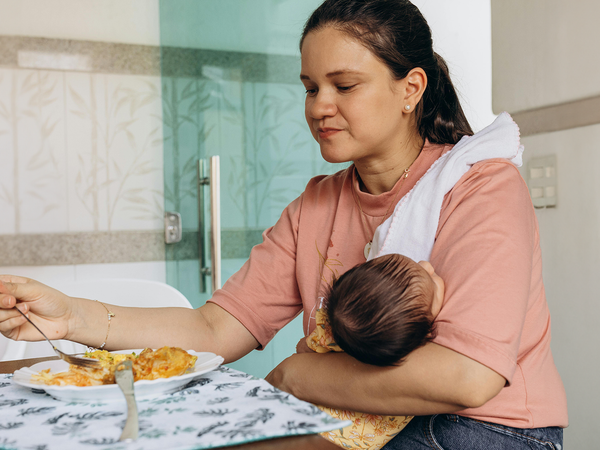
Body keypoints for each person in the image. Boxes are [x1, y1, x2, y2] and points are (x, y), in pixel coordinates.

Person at [0, 0, 567, 448]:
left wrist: (298, 376)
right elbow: (213, 331)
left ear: (411, 89)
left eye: (344, 86)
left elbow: (468, 378)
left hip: (488, 430)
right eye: (310, 87)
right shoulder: (318, 204)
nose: (319, 106)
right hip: (363, 417)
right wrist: (70, 314)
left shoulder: (480, 188)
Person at [306, 253, 445, 449]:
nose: (427, 265)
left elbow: (307, 348)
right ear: (423, 332)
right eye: (431, 280)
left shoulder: (332, 333)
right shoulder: (416, 356)